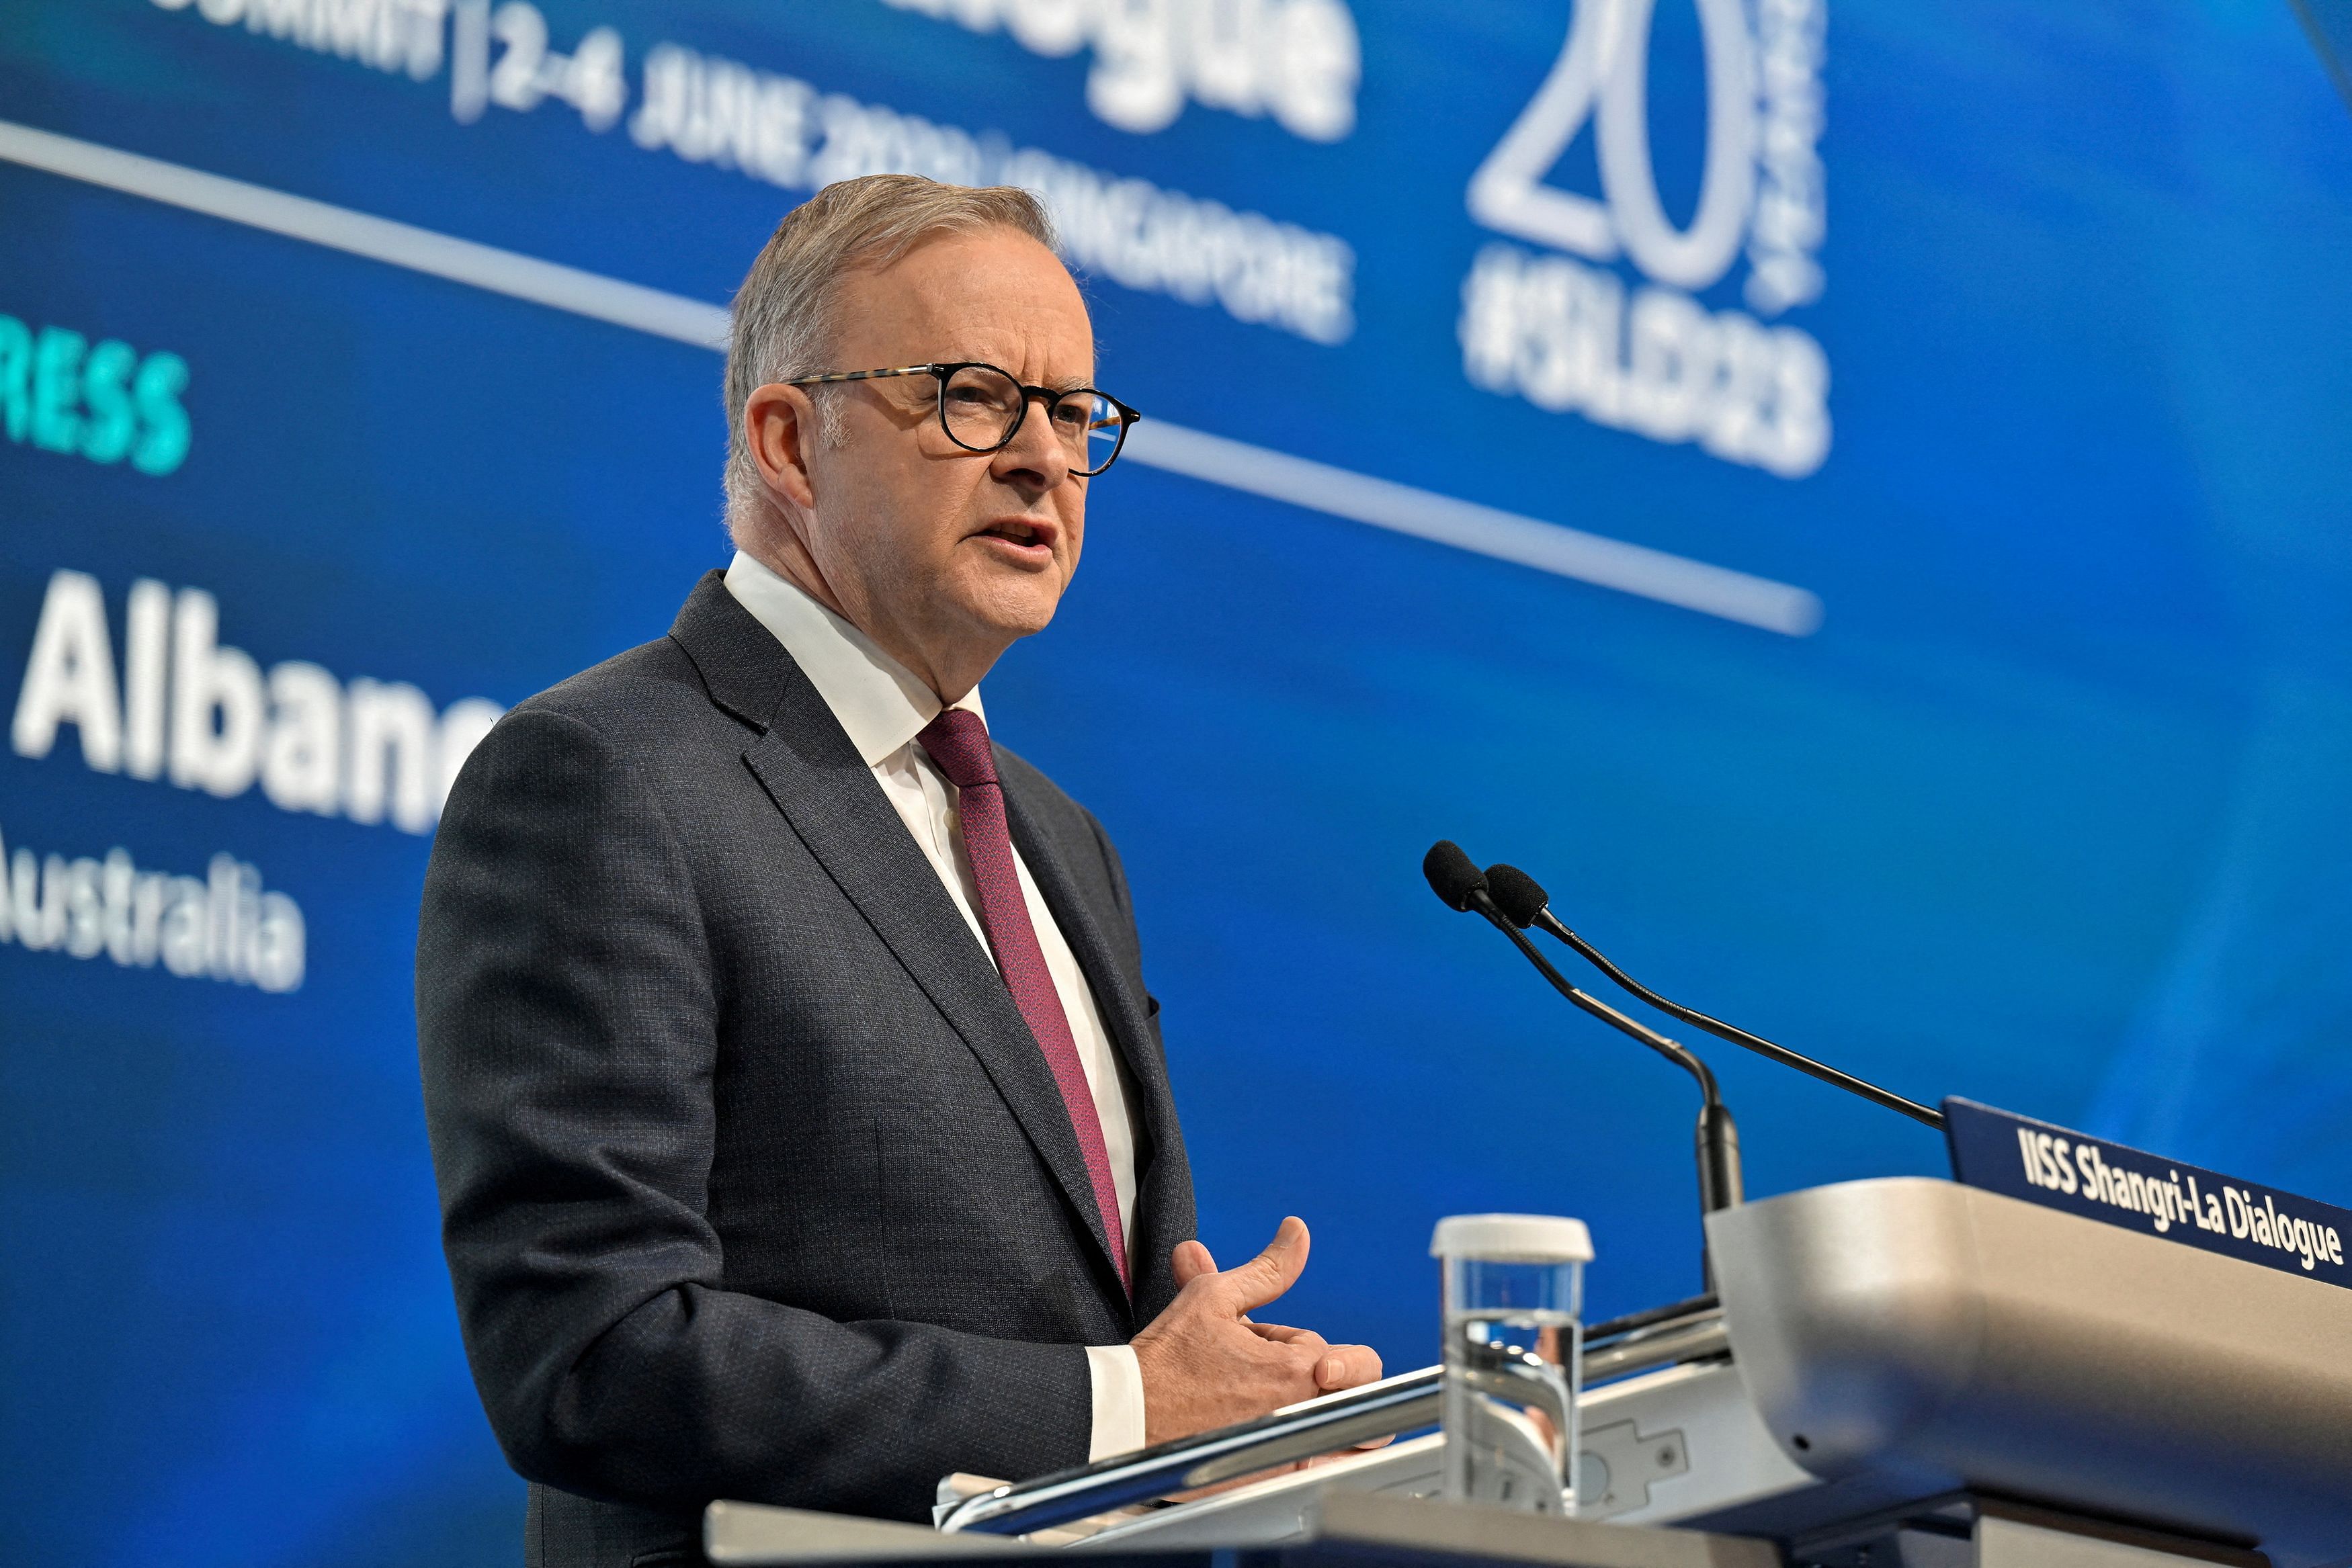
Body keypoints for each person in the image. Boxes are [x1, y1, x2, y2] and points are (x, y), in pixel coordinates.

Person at [416, 173, 1380, 1568]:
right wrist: (1122, 1406)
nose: (1044, 459)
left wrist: (1244, 1413)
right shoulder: (606, 779)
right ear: (790, 442)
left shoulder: (1061, 841)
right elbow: (592, 1352)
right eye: (973, 396)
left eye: (1072, 414)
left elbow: (1097, 1354)